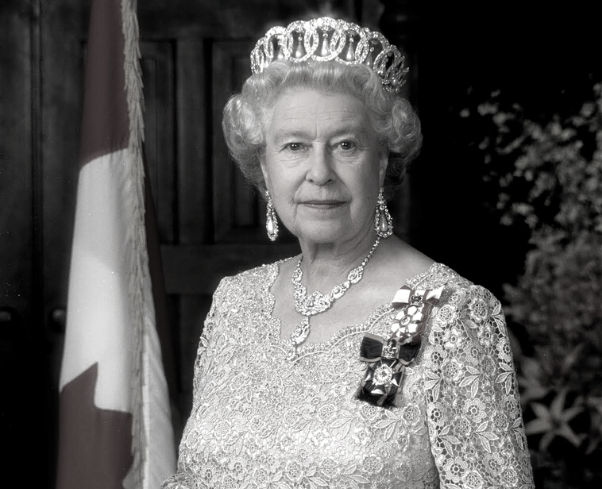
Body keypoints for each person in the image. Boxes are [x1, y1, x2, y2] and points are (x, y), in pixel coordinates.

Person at [162, 17, 534, 489]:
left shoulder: (437, 311)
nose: (320, 172)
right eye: (295, 146)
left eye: (345, 145)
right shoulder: (236, 301)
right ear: (263, 164)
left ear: (380, 161)